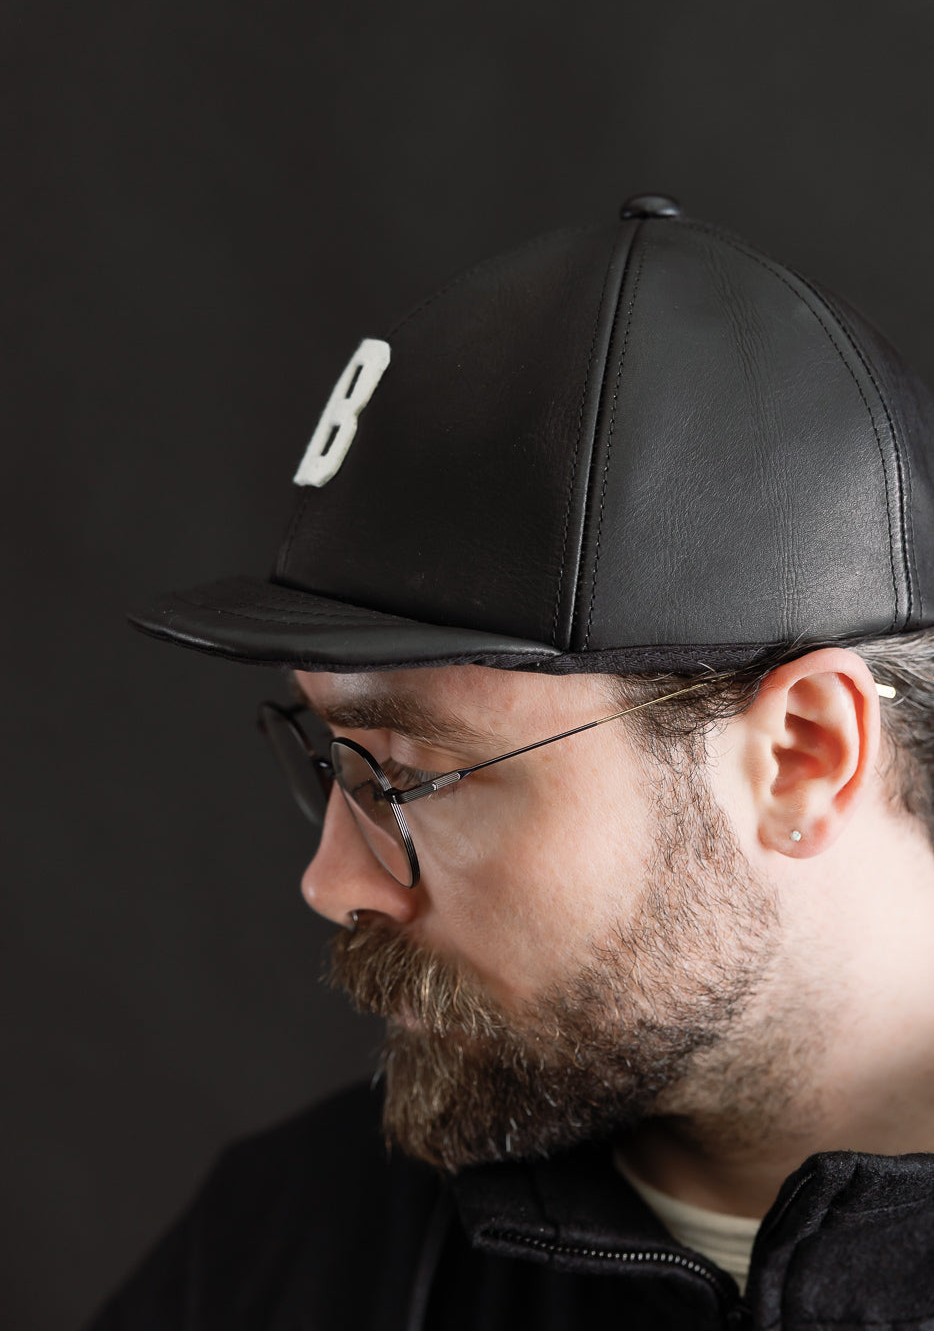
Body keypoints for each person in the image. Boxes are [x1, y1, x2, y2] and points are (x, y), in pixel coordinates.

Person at [90, 195, 934, 1329]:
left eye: (408, 773)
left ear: (801, 756)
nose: (332, 881)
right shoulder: (282, 1256)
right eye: (334, 756)